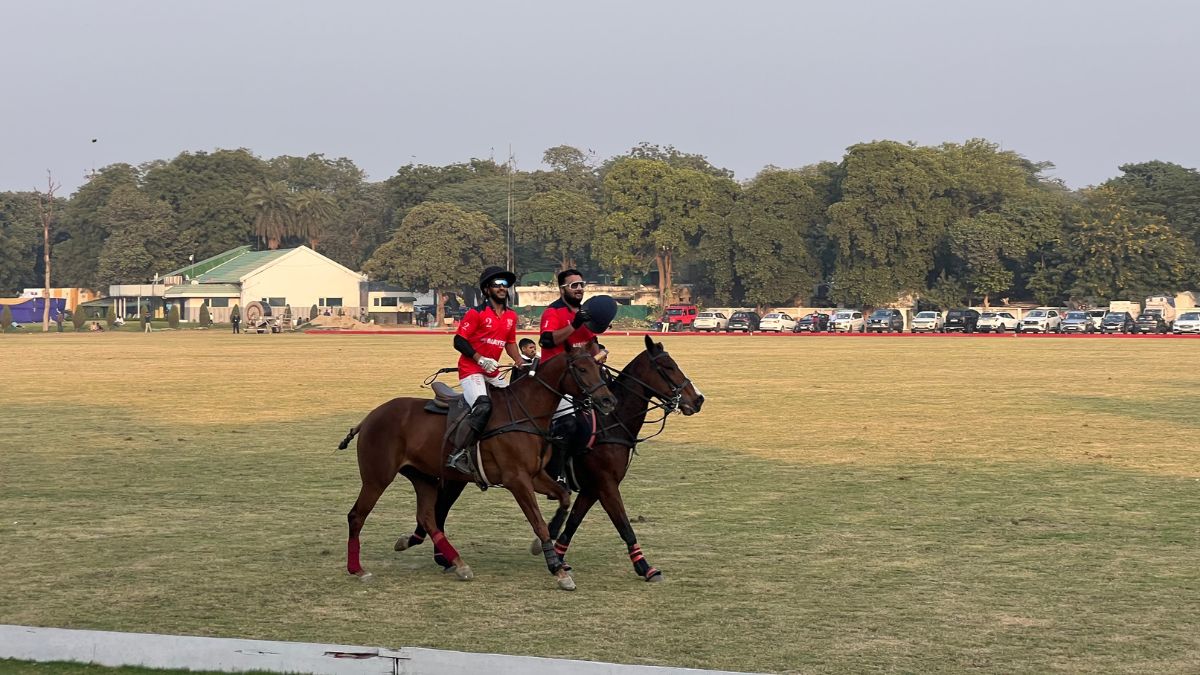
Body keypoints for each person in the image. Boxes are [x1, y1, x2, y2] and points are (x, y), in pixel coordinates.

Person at [445, 266, 522, 474]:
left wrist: (520, 361)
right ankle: (458, 455)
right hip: (471, 370)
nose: (501, 288)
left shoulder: (511, 316)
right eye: (496, 284)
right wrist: (480, 359)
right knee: (483, 406)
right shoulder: (475, 313)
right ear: (487, 290)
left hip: (493, 372)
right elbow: (458, 340)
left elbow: (510, 342)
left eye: (504, 284)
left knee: (513, 402)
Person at [538, 269, 609, 484]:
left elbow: (592, 343)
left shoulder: (585, 314)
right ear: (562, 289)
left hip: (583, 378)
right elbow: (547, 341)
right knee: (569, 423)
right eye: (573, 285)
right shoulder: (553, 312)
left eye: (581, 284)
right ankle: (556, 473)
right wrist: (574, 324)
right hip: (555, 381)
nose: (579, 289)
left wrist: (600, 354)